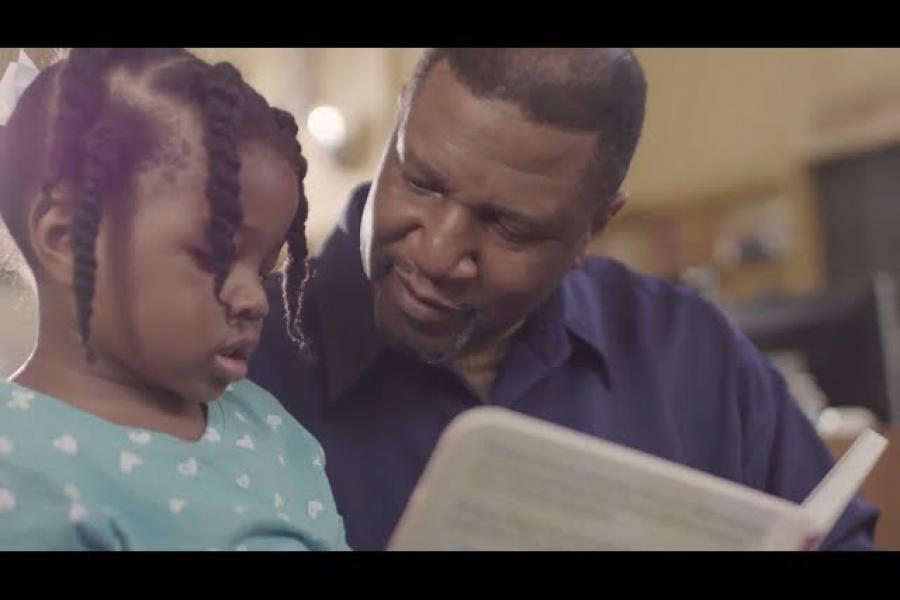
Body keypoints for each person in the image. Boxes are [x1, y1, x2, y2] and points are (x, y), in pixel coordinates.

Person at [249, 48, 878, 550]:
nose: (439, 254)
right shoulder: (234, 356)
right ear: (398, 128)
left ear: (594, 228)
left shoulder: (691, 355)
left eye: (509, 228)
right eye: (421, 181)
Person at [0, 48, 346, 550]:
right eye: (216, 255)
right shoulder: (17, 461)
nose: (256, 299)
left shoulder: (265, 423)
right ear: (65, 238)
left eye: (267, 268)